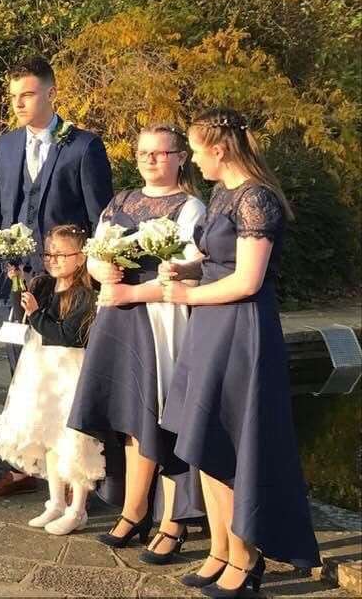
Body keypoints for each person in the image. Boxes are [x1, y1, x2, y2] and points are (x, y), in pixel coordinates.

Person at [160, 108, 320, 596]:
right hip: (210, 325)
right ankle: (220, 549)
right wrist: (187, 271)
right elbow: (215, 258)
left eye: (195, 148)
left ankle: (246, 558)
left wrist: (187, 296)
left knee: (230, 439)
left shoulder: (257, 200)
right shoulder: (222, 192)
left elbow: (248, 280)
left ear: (220, 147)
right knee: (206, 438)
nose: (191, 159)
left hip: (241, 331)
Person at [67, 125, 207, 563]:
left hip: (159, 318)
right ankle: (134, 508)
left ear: (180, 157)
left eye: (161, 152)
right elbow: (95, 248)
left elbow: (187, 267)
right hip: (118, 317)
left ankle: (173, 520)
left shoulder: (191, 207)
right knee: (130, 415)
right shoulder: (121, 201)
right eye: (144, 152)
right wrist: (100, 269)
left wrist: (131, 291)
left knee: (162, 415)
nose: (150, 159)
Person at [0, 57, 113, 499]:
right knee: (22, 373)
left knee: (65, 378)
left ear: (51, 93)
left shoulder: (83, 147)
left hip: (65, 284)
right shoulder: (5, 145)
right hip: (15, 281)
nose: (18, 103)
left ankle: (77, 478)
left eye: (28, 94)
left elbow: (100, 220)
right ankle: (24, 468)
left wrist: (89, 282)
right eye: (14, 95)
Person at [0, 225, 102, 535]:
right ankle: (54, 501)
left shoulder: (84, 294)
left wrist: (38, 314)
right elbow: (23, 314)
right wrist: (17, 283)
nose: (52, 260)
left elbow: (67, 336)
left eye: (60, 254)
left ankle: (78, 507)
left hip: (69, 371)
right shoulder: (42, 284)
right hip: (42, 371)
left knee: (72, 439)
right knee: (48, 435)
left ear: (81, 257)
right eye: (48, 253)